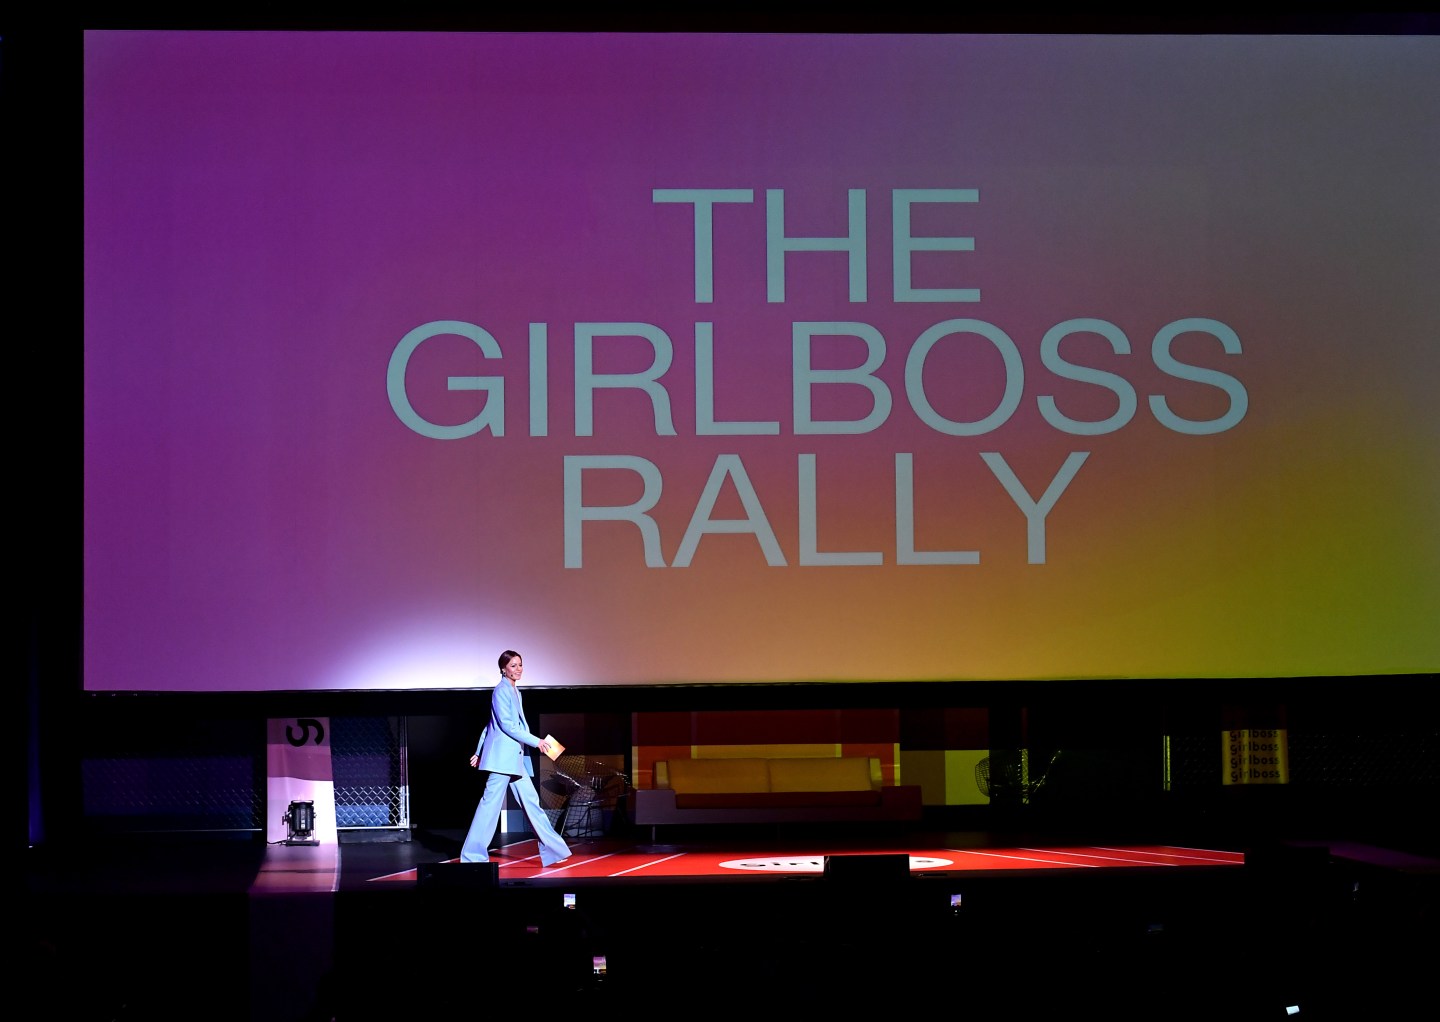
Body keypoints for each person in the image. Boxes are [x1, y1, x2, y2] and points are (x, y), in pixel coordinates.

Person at [459, 650, 572, 867]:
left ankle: (554, 851)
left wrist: (479, 751)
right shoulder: (500, 691)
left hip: (515, 758)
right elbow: (505, 725)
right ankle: (472, 857)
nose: (518, 669)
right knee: (489, 807)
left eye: (520, 665)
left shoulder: (515, 691)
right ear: (503, 668)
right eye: (513, 665)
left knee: (532, 804)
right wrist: (536, 741)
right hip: (503, 760)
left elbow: (490, 726)